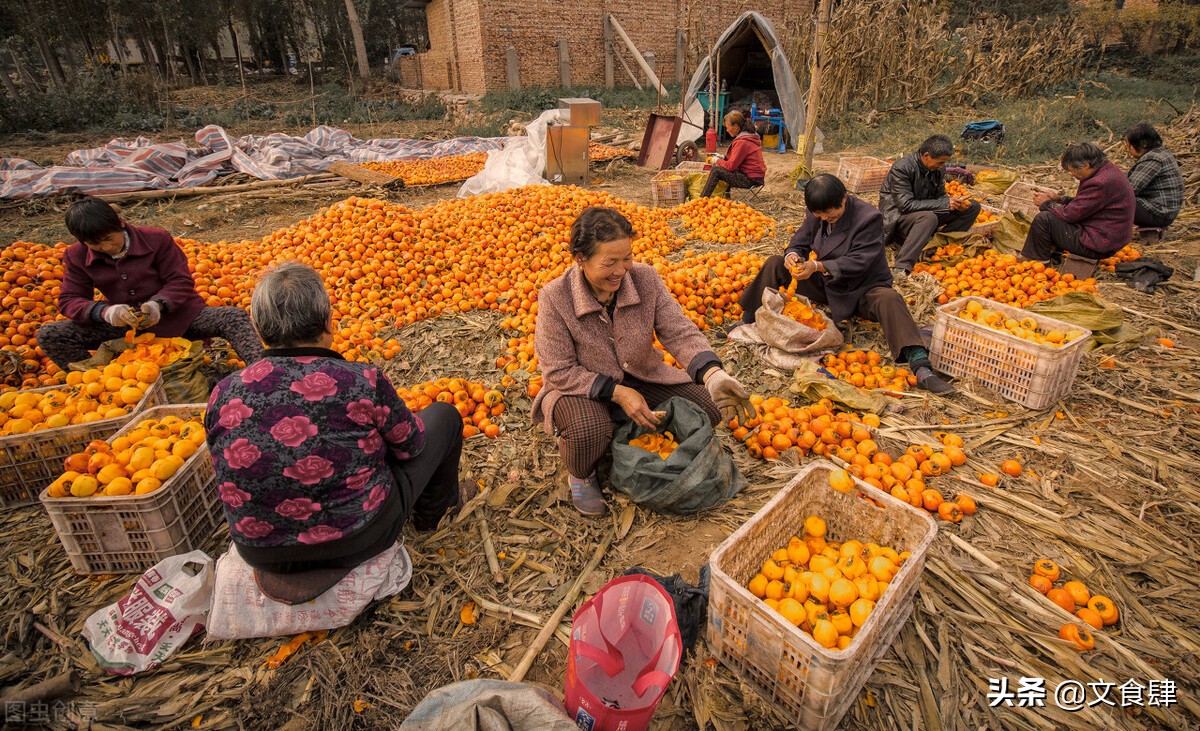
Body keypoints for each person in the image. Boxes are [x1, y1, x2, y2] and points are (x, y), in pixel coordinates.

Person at [205, 262, 470, 604]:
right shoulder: (361, 380)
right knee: (445, 417)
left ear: (258, 329)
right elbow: (412, 445)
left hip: (260, 551)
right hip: (357, 537)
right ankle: (432, 516)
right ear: (328, 321)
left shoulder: (224, 393)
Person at [532, 207, 755, 516]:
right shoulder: (556, 297)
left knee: (709, 405)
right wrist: (618, 393)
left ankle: (627, 437)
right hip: (579, 387)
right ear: (580, 258)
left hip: (641, 374)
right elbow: (558, 370)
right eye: (609, 262)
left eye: (626, 258)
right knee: (587, 431)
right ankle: (582, 472)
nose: (620, 271)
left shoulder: (645, 279)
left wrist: (712, 373)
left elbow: (678, 331)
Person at [734, 174, 954, 395]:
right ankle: (747, 318)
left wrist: (818, 266)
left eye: (831, 214)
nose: (826, 218)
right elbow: (799, 242)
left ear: (844, 199)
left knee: (889, 299)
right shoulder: (817, 215)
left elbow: (859, 260)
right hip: (828, 285)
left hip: (862, 287)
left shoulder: (868, 217)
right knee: (775, 263)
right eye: (820, 215)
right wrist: (793, 256)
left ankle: (921, 366)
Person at [38, 197, 264, 370]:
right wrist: (104, 312)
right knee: (50, 334)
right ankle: (103, 381)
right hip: (126, 326)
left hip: (180, 318)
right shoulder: (76, 255)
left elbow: (180, 280)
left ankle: (262, 375)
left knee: (233, 317)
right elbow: (69, 299)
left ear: (120, 223)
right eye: (95, 245)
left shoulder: (156, 239)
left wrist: (158, 305)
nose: (106, 248)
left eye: (109, 239)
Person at [878, 135, 981, 275]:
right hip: (899, 218)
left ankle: (938, 246)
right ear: (926, 155)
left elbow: (940, 196)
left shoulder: (938, 169)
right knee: (928, 218)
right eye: (940, 162)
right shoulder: (902, 168)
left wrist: (955, 203)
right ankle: (902, 266)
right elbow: (905, 205)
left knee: (972, 206)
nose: (942, 166)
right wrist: (944, 203)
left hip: (926, 213)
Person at [1021, 142, 1135, 264]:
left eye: (1073, 171)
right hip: (1107, 237)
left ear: (1085, 165)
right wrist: (1060, 199)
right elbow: (1085, 204)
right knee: (1054, 214)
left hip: (1099, 242)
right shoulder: (1107, 170)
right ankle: (1053, 256)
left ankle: (1037, 263)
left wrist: (1046, 203)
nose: (1073, 175)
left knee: (1045, 219)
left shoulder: (1100, 182)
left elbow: (1070, 214)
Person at [1123, 123, 1184, 243]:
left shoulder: (1153, 159)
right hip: (1163, 211)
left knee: (1115, 201)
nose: (1128, 150)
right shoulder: (1161, 152)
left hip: (1159, 213)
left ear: (1144, 144)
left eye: (1129, 146)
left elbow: (1130, 189)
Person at [700, 111, 766, 198]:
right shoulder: (749, 136)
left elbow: (731, 166)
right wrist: (723, 157)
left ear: (735, 126)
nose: (727, 130)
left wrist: (717, 160)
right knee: (724, 168)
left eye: (728, 127)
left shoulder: (742, 142)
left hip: (751, 179)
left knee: (716, 170)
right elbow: (736, 159)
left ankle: (702, 199)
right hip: (757, 177)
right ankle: (726, 195)